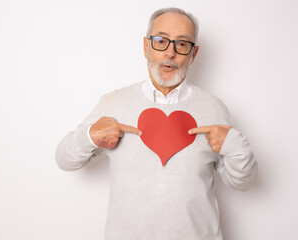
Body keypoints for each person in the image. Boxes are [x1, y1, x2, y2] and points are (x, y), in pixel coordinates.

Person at [55, 7, 257, 240]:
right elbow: (65, 160)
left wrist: (234, 143)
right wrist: (90, 135)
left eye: (181, 44)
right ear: (146, 46)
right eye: (161, 40)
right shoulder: (113, 103)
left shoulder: (214, 108)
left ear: (194, 54)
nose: (170, 53)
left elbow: (242, 182)